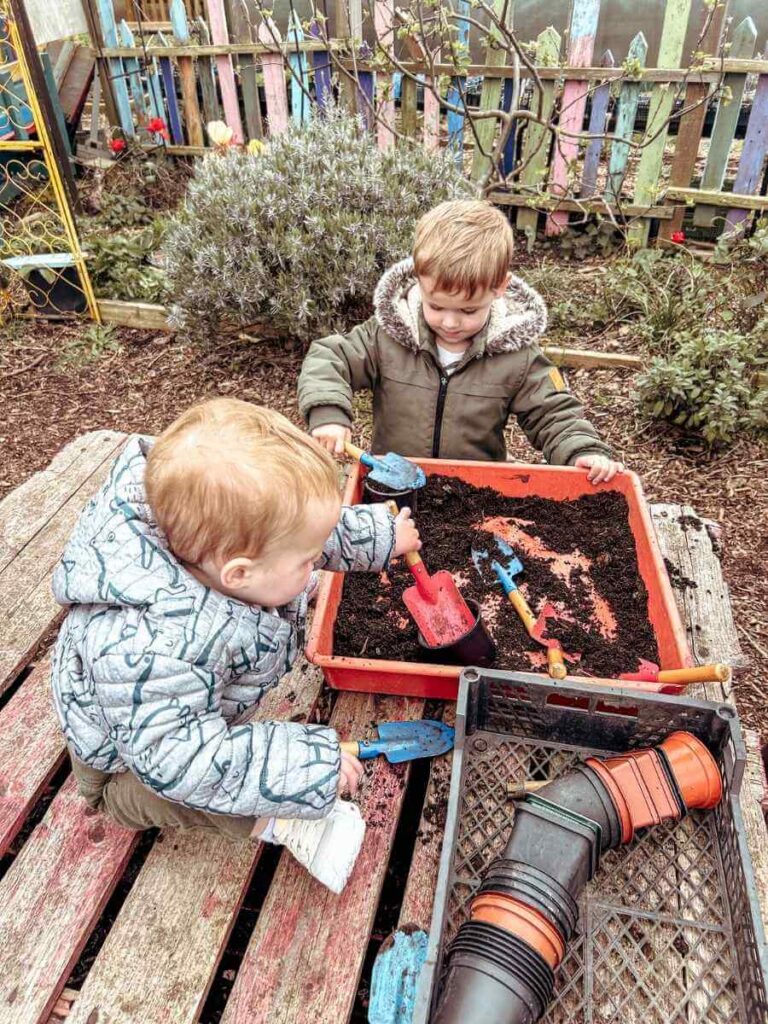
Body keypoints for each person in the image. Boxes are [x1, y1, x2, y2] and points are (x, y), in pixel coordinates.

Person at [50, 398, 420, 893]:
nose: (316, 564)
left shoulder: (208, 527)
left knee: (286, 559)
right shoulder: (160, 647)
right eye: (308, 561)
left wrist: (377, 534)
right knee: (175, 788)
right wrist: (301, 767)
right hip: (128, 757)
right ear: (238, 575)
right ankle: (279, 825)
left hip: (166, 700)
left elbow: (293, 526)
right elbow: (185, 763)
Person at [298, 199, 623, 484]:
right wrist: (328, 413)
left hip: (474, 490)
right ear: (419, 280)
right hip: (395, 484)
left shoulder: (516, 355)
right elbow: (330, 358)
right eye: (436, 306)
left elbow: (553, 413)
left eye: (468, 310)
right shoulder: (388, 335)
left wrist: (583, 450)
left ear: (499, 287)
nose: (450, 323)